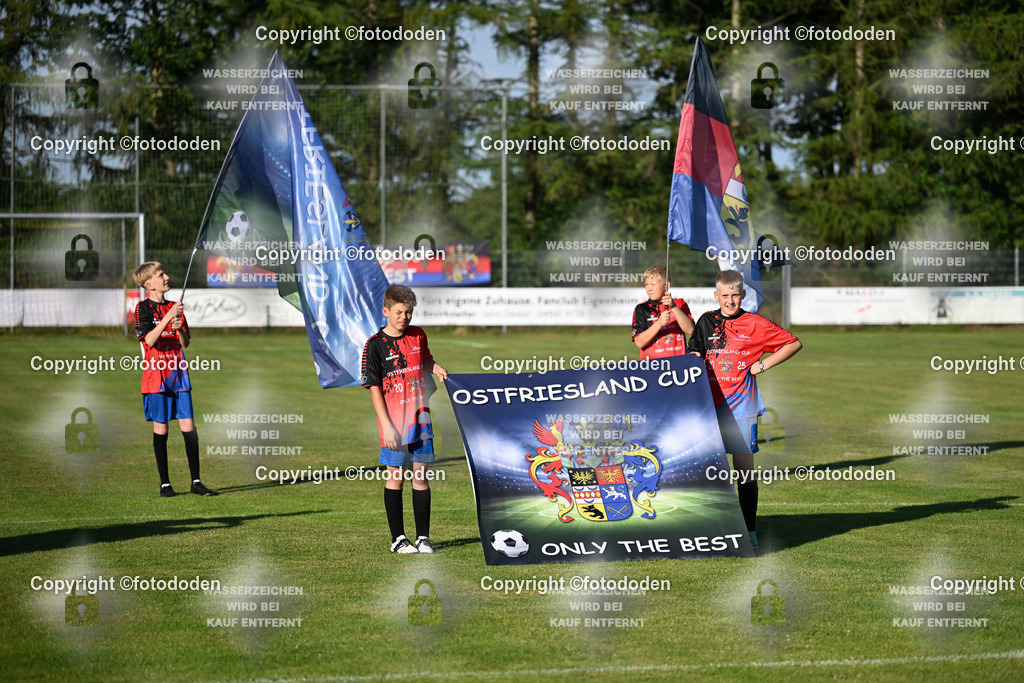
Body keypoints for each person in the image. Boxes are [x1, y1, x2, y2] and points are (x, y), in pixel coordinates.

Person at [688, 270, 801, 550]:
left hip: (742, 406)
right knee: (704, 471)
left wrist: (762, 365)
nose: (730, 300)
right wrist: (694, 359)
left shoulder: (756, 324)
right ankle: (710, 531)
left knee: (744, 473)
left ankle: (748, 531)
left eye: (735, 295)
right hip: (708, 407)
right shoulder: (706, 321)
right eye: (724, 295)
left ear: (743, 295)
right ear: (716, 296)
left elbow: (793, 343)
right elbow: (695, 351)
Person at [361, 284, 448, 554]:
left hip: (420, 422)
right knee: (395, 477)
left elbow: (425, 361)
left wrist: (437, 367)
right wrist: (386, 426)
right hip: (394, 425)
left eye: (409, 312)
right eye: (399, 312)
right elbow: (373, 387)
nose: (404, 317)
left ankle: (423, 538)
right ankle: (398, 539)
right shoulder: (374, 345)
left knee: (420, 477)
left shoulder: (418, 335)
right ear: (386, 311)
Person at [132, 261, 216, 497]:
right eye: (161, 275)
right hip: (156, 375)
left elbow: (185, 343)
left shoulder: (174, 307)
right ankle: (165, 484)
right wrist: (169, 317)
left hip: (178, 373)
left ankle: (196, 482)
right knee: (162, 427)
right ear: (149, 284)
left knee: (188, 425)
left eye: (165, 273)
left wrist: (178, 327)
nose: (166, 277)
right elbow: (148, 340)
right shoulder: (143, 308)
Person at [631, 265, 695, 359]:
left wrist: (673, 307)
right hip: (652, 366)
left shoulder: (679, 304)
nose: (649, 288)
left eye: (653, 284)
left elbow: (690, 330)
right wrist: (659, 323)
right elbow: (640, 343)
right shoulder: (641, 308)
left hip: (678, 363)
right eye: (646, 284)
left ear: (666, 285)